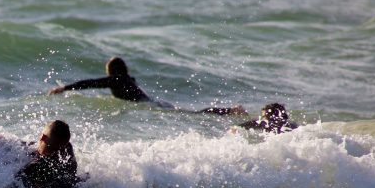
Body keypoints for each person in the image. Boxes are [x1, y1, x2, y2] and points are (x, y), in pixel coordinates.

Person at [47, 56, 247, 115]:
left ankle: (230, 110)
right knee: (193, 113)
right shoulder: (127, 79)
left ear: (112, 72)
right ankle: (229, 110)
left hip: (150, 105)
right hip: (155, 103)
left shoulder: (117, 79)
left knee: (195, 114)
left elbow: (90, 83)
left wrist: (64, 88)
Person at [0, 120, 80, 188]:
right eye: (53, 148)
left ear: (43, 137)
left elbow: (14, 186)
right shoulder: (66, 148)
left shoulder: (35, 166)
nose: (54, 153)